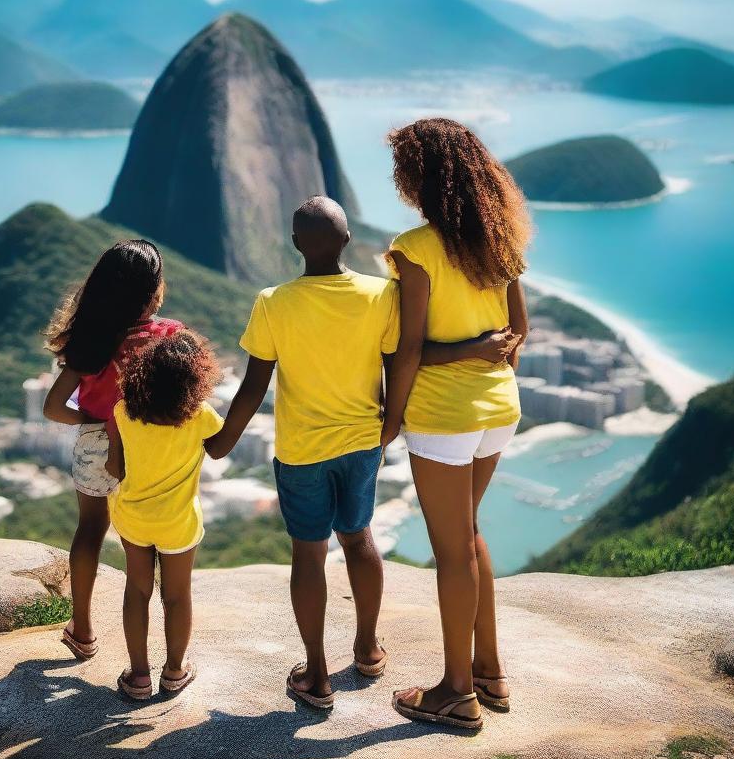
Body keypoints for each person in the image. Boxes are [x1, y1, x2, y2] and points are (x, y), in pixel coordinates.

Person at [206, 195, 516, 710]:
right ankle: (369, 649)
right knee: (359, 539)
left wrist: (221, 443)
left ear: (295, 244)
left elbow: (253, 385)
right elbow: (401, 360)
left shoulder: (272, 301)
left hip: (303, 449)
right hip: (364, 442)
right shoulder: (380, 296)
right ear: (348, 240)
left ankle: (318, 675)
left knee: (308, 553)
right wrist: (392, 423)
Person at [382, 117, 529, 731]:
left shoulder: (414, 249)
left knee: (450, 551)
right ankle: (490, 672)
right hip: (499, 409)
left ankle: (455, 692)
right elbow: (518, 333)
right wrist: (482, 353)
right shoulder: (500, 242)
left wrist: (390, 423)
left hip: (443, 417)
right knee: (469, 535)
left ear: (422, 178)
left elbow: (410, 349)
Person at [43, 240, 182, 660]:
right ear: (153, 291)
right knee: (137, 543)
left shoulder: (90, 340)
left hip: (94, 445)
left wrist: (93, 421)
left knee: (90, 530)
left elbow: (52, 407)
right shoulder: (168, 336)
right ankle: (147, 651)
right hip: (145, 448)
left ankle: (82, 629)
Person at [104, 329, 224, 699]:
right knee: (177, 595)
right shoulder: (200, 416)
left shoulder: (124, 411)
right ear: (194, 381)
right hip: (178, 522)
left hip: (134, 518)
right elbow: (220, 444)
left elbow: (115, 467)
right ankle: (174, 671)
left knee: (137, 590)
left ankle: (139, 676)